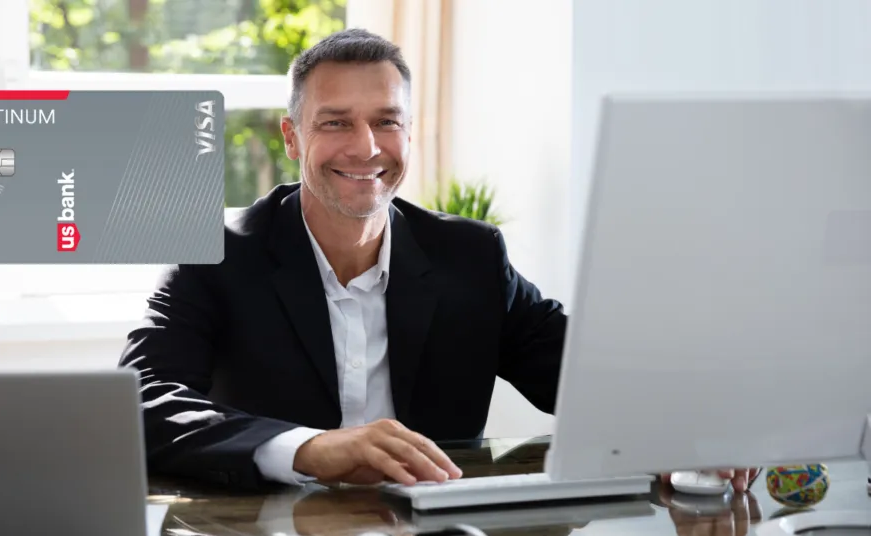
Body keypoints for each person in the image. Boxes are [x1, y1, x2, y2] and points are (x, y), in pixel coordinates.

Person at [118, 28, 760, 492]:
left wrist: (683, 432)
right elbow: (142, 402)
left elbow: (584, 372)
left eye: (386, 121)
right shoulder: (213, 254)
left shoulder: (472, 257)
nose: (366, 147)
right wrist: (311, 449)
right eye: (336, 123)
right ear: (292, 137)